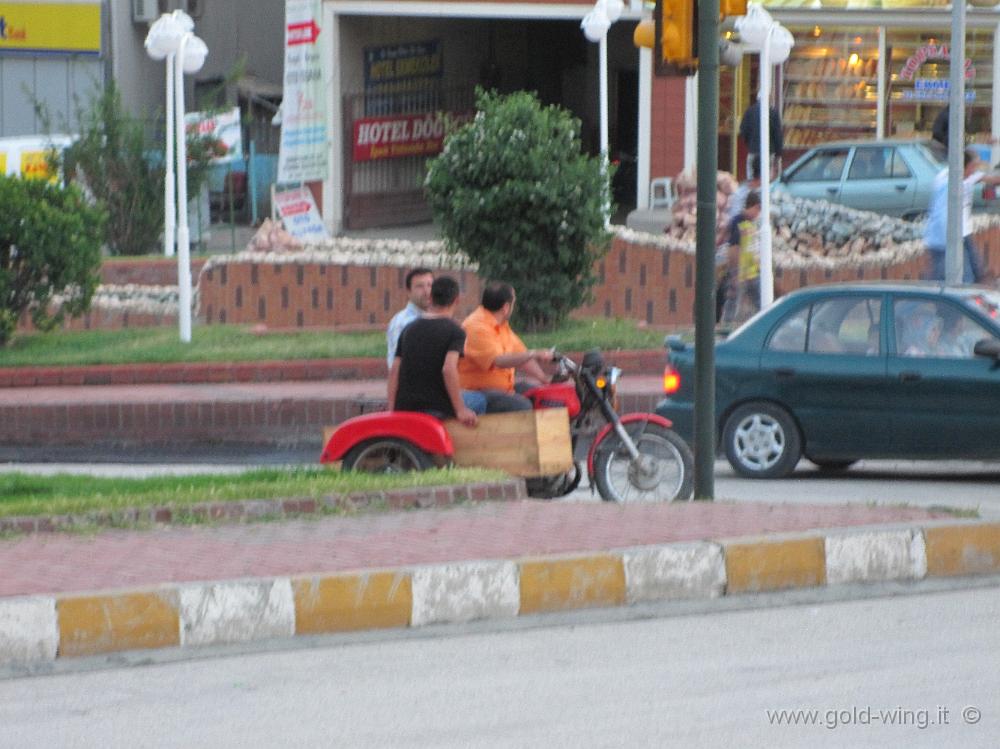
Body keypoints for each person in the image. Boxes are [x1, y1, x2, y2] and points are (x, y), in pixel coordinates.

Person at [387, 276, 479, 426]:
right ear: (457, 300)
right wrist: (461, 410)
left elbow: (394, 370)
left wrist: (392, 409)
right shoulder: (456, 331)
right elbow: (448, 369)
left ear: (430, 298)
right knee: (482, 400)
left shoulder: (409, 329)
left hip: (404, 407)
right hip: (438, 408)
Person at [458, 282, 554, 413]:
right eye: (514, 302)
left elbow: (521, 355)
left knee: (539, 394)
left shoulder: (501, 325)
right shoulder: (476, 327)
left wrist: (544, 379)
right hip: (478, 393)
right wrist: (533, 353)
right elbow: (498, 361)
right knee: (522, 405)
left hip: (502, 389)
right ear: (506, 307)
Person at [924, 147, 1000, 283]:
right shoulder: (948, 184)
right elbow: (941, 216)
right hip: (945, 239)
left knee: (978, 270)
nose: (975, 170)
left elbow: (990, 179)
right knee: (960, 278)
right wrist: (951, 242)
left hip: (963, 233)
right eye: (973, 166)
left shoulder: (967, 176)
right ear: (964, 166)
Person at [720, 190, 762, 324]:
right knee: (732, 303)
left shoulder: (752, 223)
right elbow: (734, 248)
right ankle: (725, 330)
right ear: (755, 207)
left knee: (760, 304)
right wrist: (734, 274)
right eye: (758, 210)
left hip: (752, 273)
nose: (758, 214)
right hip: (740, 273)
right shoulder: (739, 222)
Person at [386, 267, 433, 370]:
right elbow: (396, 364)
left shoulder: (435, 319)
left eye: (430, 285)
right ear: (408, 291)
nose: (427, 291)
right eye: (419, 286)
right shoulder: (402, 323)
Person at [738, 99, 783, 179]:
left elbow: (743, 130)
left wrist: (749, 143)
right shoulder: (773, 113)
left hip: (753, 150)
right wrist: (778, 153)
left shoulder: (749, 112)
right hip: (769, 150)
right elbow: (777, 134)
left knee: (751, 176)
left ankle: (753, 189)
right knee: (767, 177)